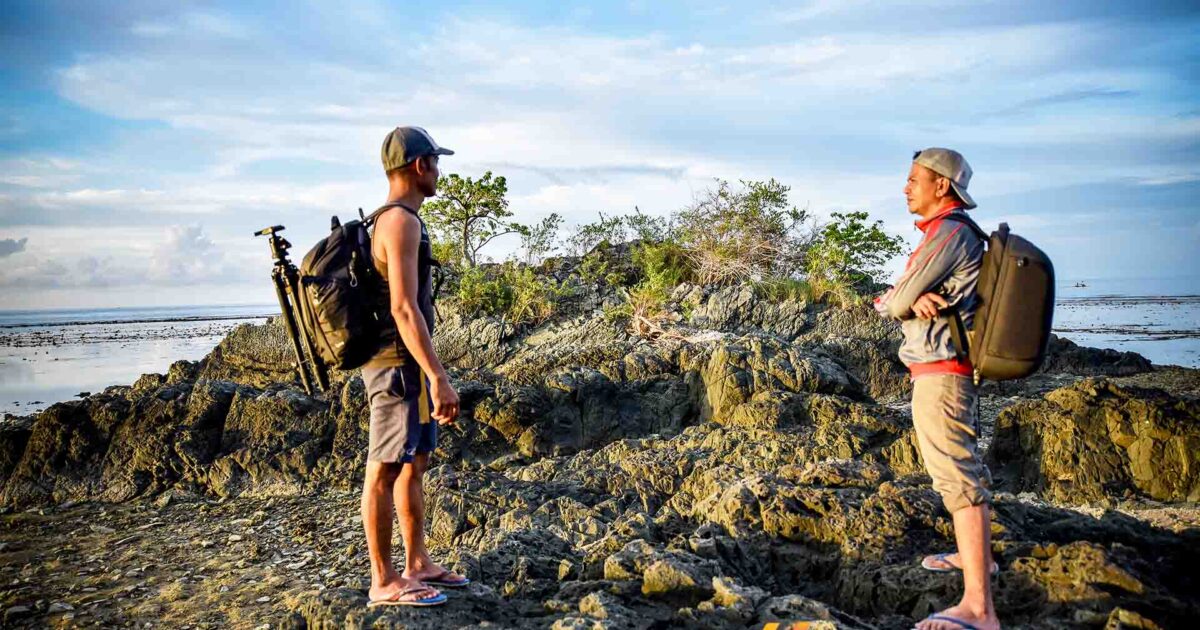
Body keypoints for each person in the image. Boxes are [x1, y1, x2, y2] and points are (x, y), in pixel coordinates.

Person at [874, 148, 999, 630]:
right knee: (956, 470)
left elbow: (897, 297)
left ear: (941, 186)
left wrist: (899, 298)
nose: (905, 188)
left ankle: (979, 608)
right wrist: (900, 298)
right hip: (940, 370)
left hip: (943, 372)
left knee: (958, 477)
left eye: (913, 180)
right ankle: (976, 561)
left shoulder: (949, 232)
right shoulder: (943, 234)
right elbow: (899, 297)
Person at [360, 126, 469, 608]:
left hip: (408, 365)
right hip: (395, 366)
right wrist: (438, 376)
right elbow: (404, 309)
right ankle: (383, 581)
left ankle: (417, 562)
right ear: (420, 165)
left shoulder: (399, 220)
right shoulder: (399, 222)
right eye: (436, 163)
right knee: (383, 469)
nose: (440, 172)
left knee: (415, 462)